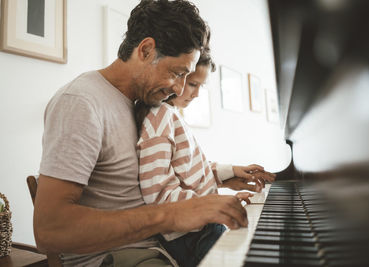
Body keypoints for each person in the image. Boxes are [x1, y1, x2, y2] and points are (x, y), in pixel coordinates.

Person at [33, 1, 272, 266]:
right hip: (124, 256)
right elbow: (50, 231)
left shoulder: (142, 105)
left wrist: (223, 177)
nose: (180, 90)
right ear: (146, 50)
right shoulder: (80, 102)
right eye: (176, 73)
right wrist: (175, 214)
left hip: (164, 245)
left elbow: (150, 174)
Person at [135, 50, 275, 266]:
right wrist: (216, 204)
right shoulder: (159, 117)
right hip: (190, 235)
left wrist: (231, 171)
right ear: (175, 77)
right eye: (192, 84)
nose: (197, 93)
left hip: (201, 226)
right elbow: (158, 196)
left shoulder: (171, 115)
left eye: (201, 86)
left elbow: (190, 169)